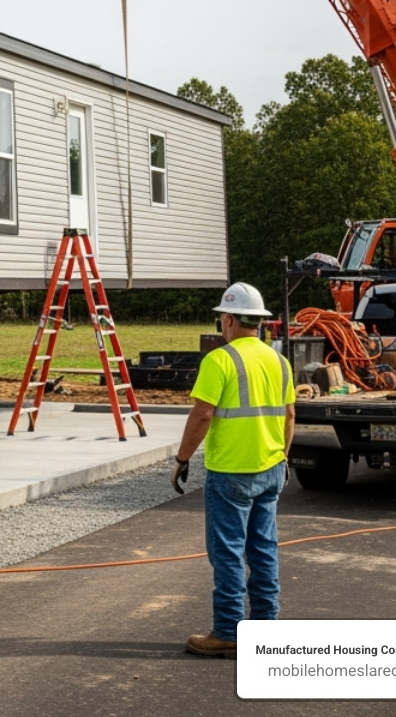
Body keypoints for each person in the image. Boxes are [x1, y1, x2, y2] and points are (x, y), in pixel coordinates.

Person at [171, 282, 296, 659]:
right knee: (263, 551)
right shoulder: (279, 361)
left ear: (227, 319)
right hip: (272, 467)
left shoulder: (219, 360)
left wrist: (182, 458)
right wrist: (283, 457)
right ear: (258, 321)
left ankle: (228, 631)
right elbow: (290, 415)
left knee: (227, 554)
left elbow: (202, 414)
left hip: (230, 472)